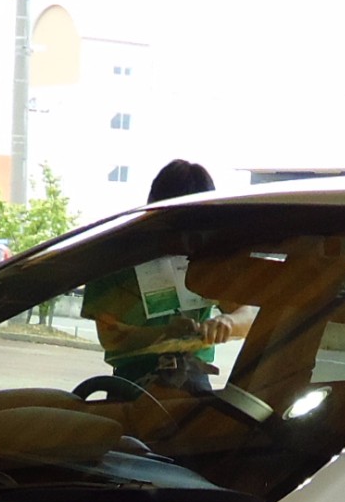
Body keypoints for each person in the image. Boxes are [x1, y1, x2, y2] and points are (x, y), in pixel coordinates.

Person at [82, 159, 257, 387]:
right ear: (154, 208)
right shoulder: (117, 257)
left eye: (195, 224)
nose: (184, 236)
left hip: (194, 377)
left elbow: (249, 314)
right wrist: (165, 334)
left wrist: (228, 322)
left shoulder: (209, 257)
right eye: (175, 222)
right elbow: (110, 337)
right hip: (133, 382)